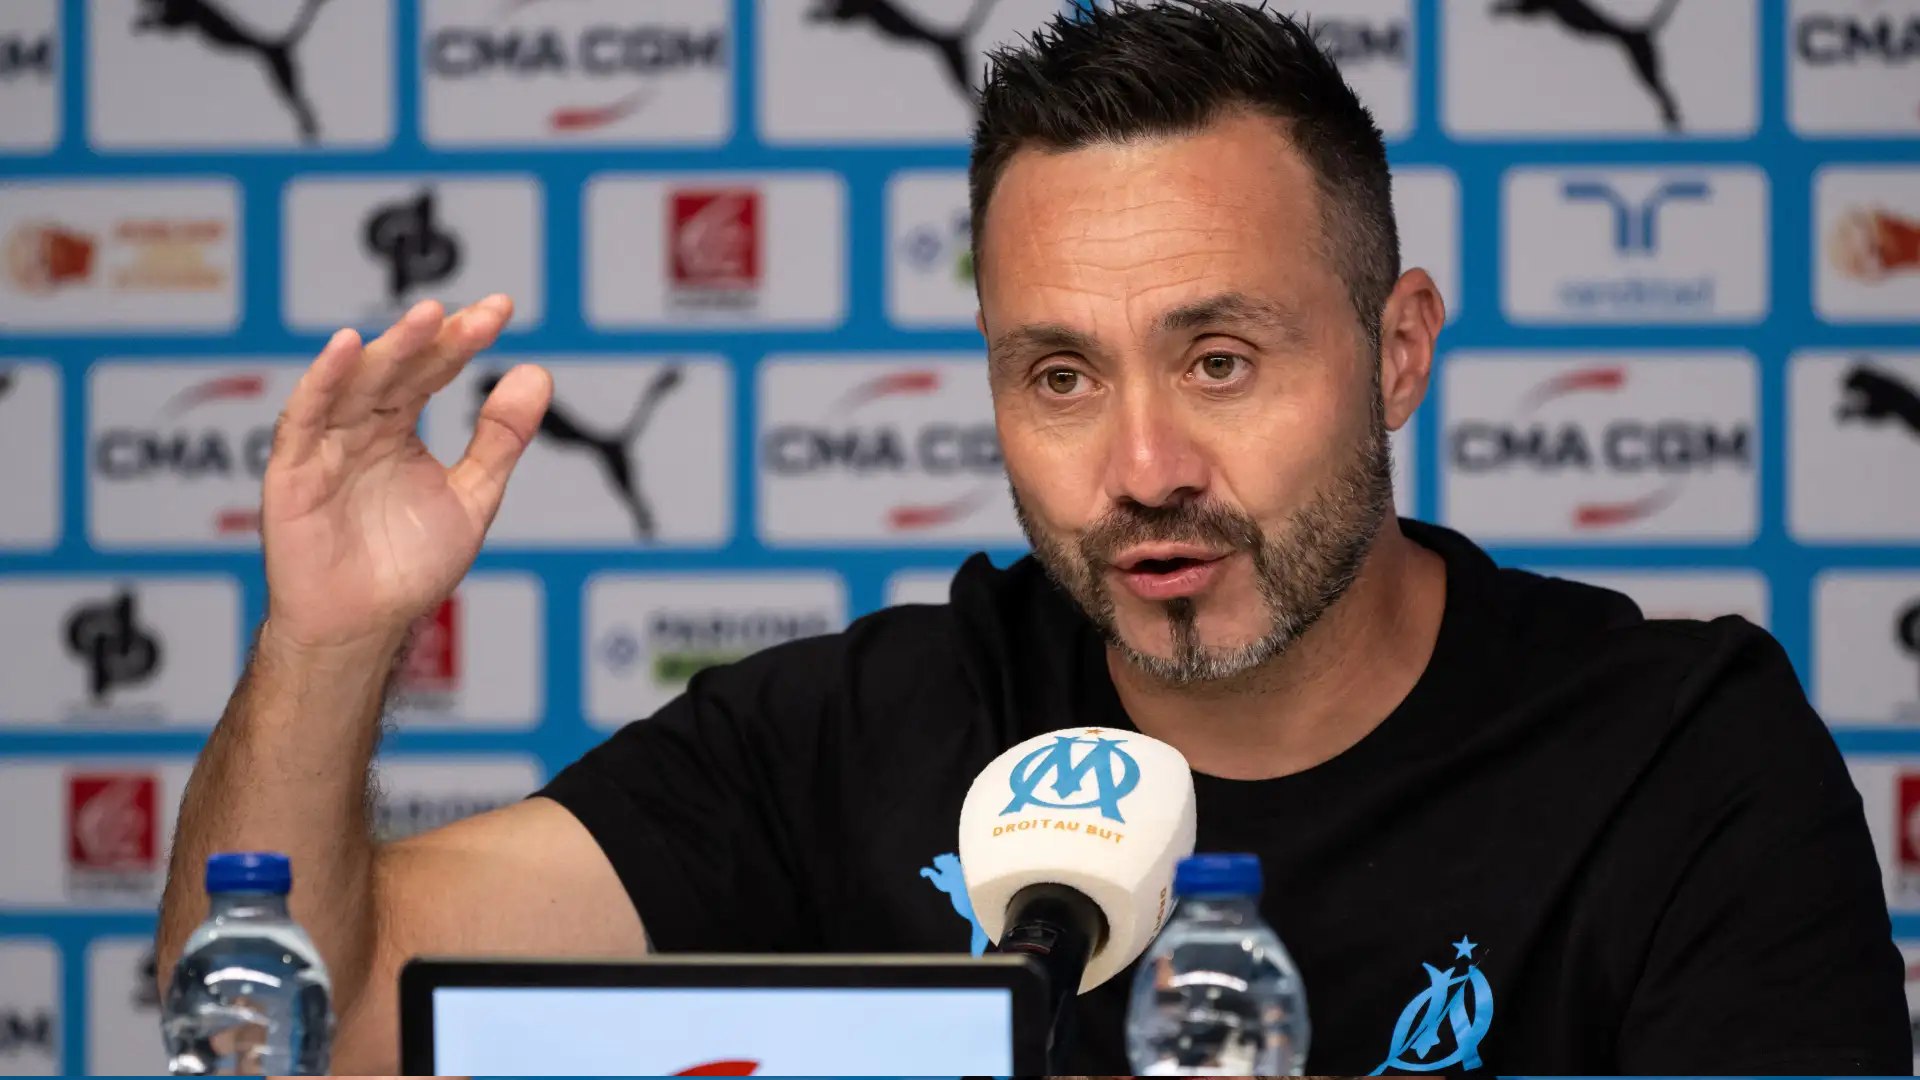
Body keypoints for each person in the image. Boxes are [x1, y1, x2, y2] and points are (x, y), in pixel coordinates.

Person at [155, 1, 1909, 1073]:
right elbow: (304, 1023)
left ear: (1398, 352)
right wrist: (328, 640)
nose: (1142, 467)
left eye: (1220, 360)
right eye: (1060, 376)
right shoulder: (858, 735)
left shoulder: (1679, 756)